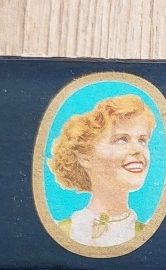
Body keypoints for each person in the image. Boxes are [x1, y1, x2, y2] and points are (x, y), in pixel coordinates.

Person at [47, 95, 156, 247]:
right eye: (122, 139)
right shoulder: (63, 231)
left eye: (142, 140)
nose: (138, 149)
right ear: (85, 157)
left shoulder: (149, 234)